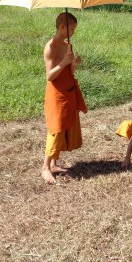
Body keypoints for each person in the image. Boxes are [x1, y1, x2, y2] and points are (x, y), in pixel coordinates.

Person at [41, 12, 87, 184]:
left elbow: (69, 72)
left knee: (65, 126)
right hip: (56, 93)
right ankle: (45, 168)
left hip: (69, 90)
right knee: (57, 128)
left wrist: (73, 64)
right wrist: (63, 63)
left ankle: (53, 164)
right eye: (71, 29)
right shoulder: (50, 47)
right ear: (62, 27)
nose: (73, 32)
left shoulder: (68, 45)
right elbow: (50, 76)